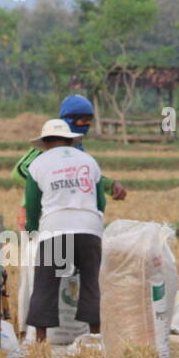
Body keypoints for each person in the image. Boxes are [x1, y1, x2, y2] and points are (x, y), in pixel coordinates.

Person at [24, 118, 106, 342]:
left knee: (45, 285)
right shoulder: (89, 161)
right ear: (69, 140)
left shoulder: (37, 164)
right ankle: (95, 338)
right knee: (91, 282)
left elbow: (31, 205)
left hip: (55, 230)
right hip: (89, 228)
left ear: (45, 142)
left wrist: (32, 230)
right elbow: (100, 202)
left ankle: (41, 342)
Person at [13, 94, 126, 228]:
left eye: (90, 120)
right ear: (70, 120)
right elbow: (20, 171)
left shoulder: (78, 148)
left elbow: (79, 174)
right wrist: (33, 201)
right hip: (44, 210)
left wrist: (109, 185)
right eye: (83, 120)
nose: (87, 124)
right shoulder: (49, 144)